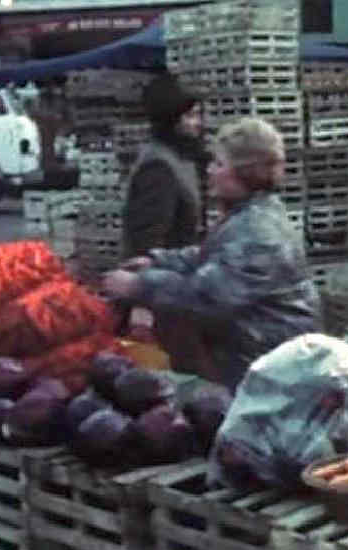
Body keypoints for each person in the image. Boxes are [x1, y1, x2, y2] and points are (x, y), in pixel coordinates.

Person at [103, 117, 320, 393]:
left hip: (269, 368)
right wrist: (159, 261)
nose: (209, 171)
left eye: (218, 164)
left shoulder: (258, 230)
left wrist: (139, 285)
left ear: (246, 173)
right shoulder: (248, 216)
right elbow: (210, 255)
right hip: (256, 355)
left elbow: (204, 296)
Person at [123, 73, 206, 258]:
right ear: (172, 121)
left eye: (198, 115)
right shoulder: (158, 167)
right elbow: (148, 240)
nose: (197, 124)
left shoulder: (180, 157)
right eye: (190, 116)